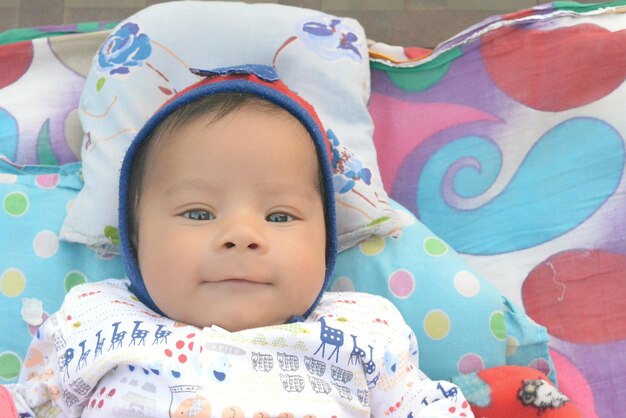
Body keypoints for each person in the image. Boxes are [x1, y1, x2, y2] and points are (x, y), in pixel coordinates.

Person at [2, 65, 474, 417]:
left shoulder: (363, 330)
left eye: (280, 215)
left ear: (326, 238)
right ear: (135, 237)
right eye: (199, 213)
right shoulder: (94, 320)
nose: (242, 237)